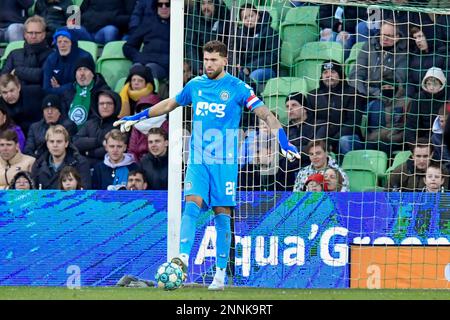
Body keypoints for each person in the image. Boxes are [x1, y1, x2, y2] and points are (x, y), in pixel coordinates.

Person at [114, 40, 300, 290]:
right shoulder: (195, 85)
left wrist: (282, 139)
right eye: (206, 59)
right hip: (199, 160)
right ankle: (181, 258)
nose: (208, 64)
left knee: (222, 216)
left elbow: (265, 114)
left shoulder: (238, 88)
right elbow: (169, 104)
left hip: (224, 163)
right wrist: (139, 116)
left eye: (213, 60)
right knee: (191, 204)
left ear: (225, 60)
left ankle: (221, 274)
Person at [348, 19, 408, 100]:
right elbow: (356, 73)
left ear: (397, 37)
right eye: (382, 34)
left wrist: (376, 93)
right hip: (362, 93)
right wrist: (362, 93)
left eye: (389, 36)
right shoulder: (368, 46)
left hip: (385, 97)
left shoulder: (403, 54)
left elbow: (397, 80)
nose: (384, 38)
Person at [230, 4, 278, 93]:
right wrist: (237, 64)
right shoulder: (240, 34)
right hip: (245, 69)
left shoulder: (269, 31)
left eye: (251, 16)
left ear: (258, 15)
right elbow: (235, 53)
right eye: (245, 18)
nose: (249, 20)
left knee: (254, 76)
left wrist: (250, 67)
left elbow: (272, 57)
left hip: (266, 68)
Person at [31, 125, 91, 189]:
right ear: (47, 144)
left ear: (66, 143)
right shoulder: (38, 164)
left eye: (59, 141)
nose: (55, 145)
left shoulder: (80, 163)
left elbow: (85, 191)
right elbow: (33, 192)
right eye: (51, 141)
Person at [123, 0, 170, 82]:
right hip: (144, 61)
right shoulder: (148, 23)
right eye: (160, 5)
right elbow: (128, 46)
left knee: (149, 69)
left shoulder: (179, 25)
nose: (163, 7)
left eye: (167, 4)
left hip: (164, 66)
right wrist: (138, 57)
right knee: (136, 69)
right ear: (156, 7)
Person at [72, 89, 121, 168]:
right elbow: (76, 142)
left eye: (109, 103)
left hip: (108, 168)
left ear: (115, 105)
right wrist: (99, 141)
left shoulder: (121, 125)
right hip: (85, 166)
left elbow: (111, 150)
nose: (105, 106)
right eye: (101, 103)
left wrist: (88, 152)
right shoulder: (89, 123)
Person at [1, 15, 53, 86]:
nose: (33, 36)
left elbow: (41, 75)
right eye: (30, 33)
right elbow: (4, 77)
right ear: (25, 34)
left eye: (37, 33)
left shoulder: (51, 54)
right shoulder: (14, 53)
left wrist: (17, 71)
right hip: (13, 94)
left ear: (43, 34)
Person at [61, 56, 109, 128]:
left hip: (92, 132)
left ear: (93, 74)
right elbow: (63, 116)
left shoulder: (103, 92)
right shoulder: (68, 92)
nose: (82, 73)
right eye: (79, 70)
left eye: (85, 69)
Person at [405, 67, 448, 145]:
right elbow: (411, 124)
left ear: (442, 84)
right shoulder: (418, 98)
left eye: (435, 84)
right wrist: (413, 145)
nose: (431, 87)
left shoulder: (448, 98)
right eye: (429, 84)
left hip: (444, 137)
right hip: (423, 139)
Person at [42, 27, 91, 95]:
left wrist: (60, 88)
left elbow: (84, 84)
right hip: (57, 99)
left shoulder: (85, 57)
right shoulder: (51, 59)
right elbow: (46, 89)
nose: (62, 45)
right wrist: (71, 86)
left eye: (66, 41)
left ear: (72, 43)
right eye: (59, 42)